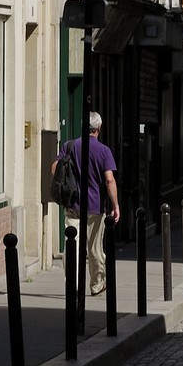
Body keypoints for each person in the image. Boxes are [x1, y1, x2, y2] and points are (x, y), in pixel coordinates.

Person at [52, 111, 120, 296]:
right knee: (95, 248)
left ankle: (72, 286)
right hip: (96, 207)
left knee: (71, 244)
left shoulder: (70, 145)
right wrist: (115, 206)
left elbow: (54, 169)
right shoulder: (104, 151)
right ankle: (96, 284)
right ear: (98, 129)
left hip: (73, 205)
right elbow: (109, 179)